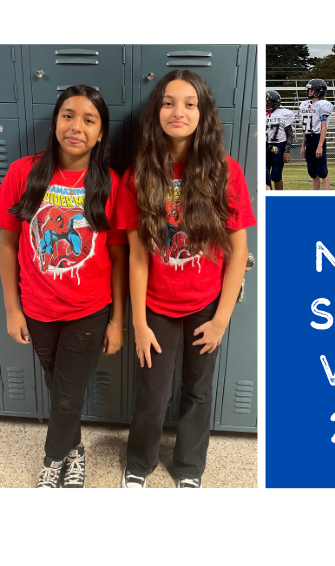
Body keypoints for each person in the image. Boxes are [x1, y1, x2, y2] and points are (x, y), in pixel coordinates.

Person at [118, 70, 256, 488]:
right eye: (168, 102)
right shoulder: (138, 175)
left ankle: (190, 468)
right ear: (155, 111)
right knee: (153, 394)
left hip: (206, 306)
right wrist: (139, 323)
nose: (178, 111)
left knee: (198, 391)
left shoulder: (225, 171)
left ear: (203, 112)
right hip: (156, 306)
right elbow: (137, 257)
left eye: (189, 103)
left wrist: (220, 320)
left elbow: (238, 254)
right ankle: (139, 464)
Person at [0, 85, 126, 488]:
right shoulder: (23, 172)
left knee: (68, 395)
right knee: (60, 390)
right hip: (36, 308)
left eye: (89, 119)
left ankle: (54, 459)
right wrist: (12, 308)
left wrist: (117, 321)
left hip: (89, 309)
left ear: (102, 132)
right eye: (68, 115)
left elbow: (120, 256)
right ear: (55, 121)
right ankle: (75, 450)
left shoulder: (109, 182)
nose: (76, 126)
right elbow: (7, 242)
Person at [298, 78, 332, 190]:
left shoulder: (323, 105)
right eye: (310, 89)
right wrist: (303, 145)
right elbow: (305, 128)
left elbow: (324, 127)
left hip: (318, 137)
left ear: (319, 91)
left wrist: (320, 145)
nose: (310, 91)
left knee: (322, 170)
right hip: (309, 138)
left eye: (312, 89)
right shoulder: (304, 105)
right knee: (312, 171)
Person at [264, 90, 293, 190]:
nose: (266, 104)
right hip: (266, 145)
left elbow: (289, 134)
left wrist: (286, 151)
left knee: (276, 175)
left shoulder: (283, 113)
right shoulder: (262, 113)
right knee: (265, 175)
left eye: (268, 102)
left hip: (278, 146)